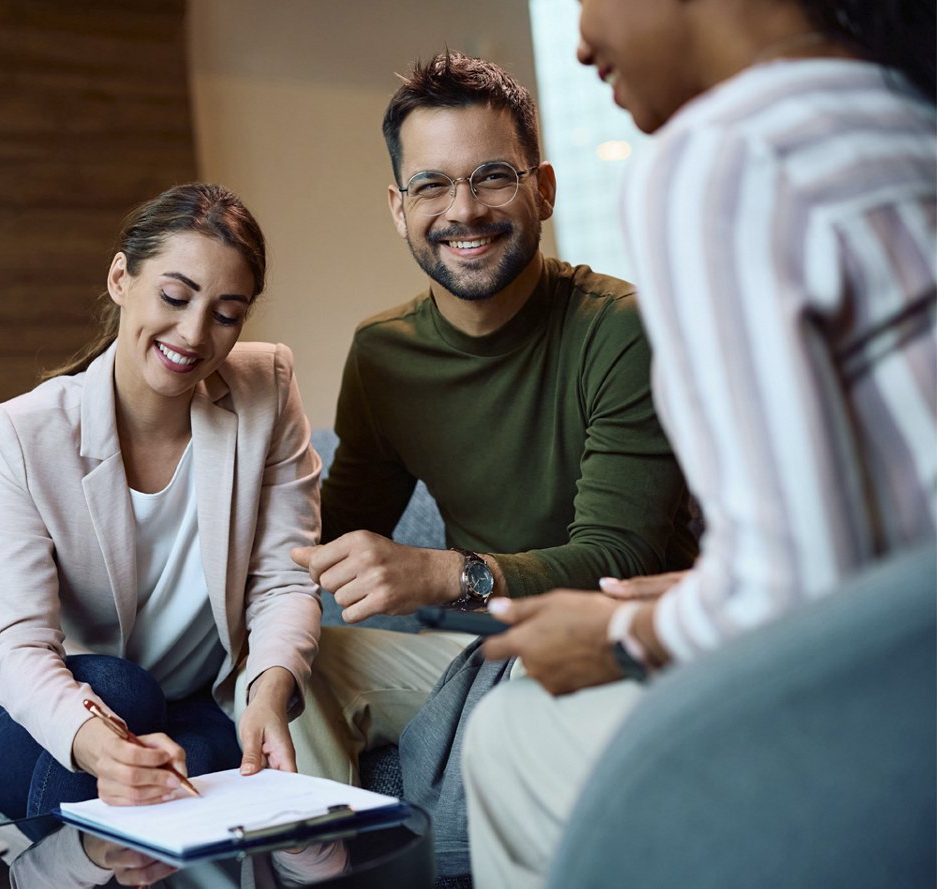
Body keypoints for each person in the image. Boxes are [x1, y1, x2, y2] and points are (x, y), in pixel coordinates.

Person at [462, 0, 937, 885]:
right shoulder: (904, 114)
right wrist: (702, 589)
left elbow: (792, 592)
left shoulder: (722, 154)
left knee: (511, 735)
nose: (578, 40)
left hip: (893, 724)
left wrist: (619, 632)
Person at [286, 51, 698, 875]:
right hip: (475, 651)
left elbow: (618, 560)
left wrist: (446, 574)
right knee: (284, 665)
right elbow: (330, 533)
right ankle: (321, 867)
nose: (463, 210)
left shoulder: (619, 328)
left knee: (524, 699)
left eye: (492, 177)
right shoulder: (383, 354)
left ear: (543, 187)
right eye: (432, 186)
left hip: (622, 646)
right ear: (398, 208)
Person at [0, 183, 324, 820]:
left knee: (197, 764)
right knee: (124, 691)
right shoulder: (23, 431)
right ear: (122, 276)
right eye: (175, 297)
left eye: (227, 314)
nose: (194, 333)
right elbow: (21, 645)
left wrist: (268, 688)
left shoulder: (269, 386)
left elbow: (286, 578)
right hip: (42, 714)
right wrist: (100, 747)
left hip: (191, 704)